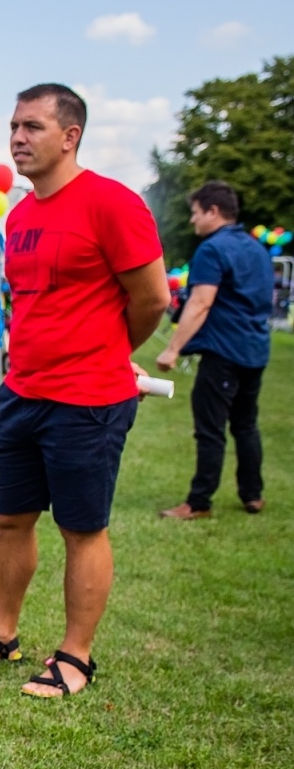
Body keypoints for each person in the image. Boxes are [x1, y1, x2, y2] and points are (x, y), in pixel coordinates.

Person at [0, 83, 168, 699]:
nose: (17, 138)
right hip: (22, 391)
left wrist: (111, 356)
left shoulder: (112, 204)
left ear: (71, 136)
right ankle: (0, 634)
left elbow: (152, 300)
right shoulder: (20, 214)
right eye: (13, 125)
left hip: (89, 397)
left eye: (33, 127)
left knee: (81, 527)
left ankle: (75, 656)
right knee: (10, 520)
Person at [154, 181, 272, 518]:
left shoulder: (212, 250)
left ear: (213, 212)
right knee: (246, 424)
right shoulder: (257, 250)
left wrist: (173, 349)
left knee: (210, 428)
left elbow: (201, 302)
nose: (193, 221)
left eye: (195, 213)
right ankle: (253, 494)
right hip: (255, 350)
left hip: (224, 352)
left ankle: (198, 502)